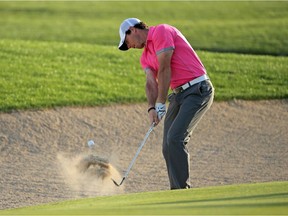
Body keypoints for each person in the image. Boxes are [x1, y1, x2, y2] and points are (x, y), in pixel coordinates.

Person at [118, 18, 214, 189]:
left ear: (132, 30)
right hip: (178, 95)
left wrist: (161, 102)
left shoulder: (161, 31)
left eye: (127, 41)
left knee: (175, 138)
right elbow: (151, 83)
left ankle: (181, 191)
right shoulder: (145, 56)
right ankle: (177, 190)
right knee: (167, 146)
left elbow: (165, 68)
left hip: (198, 90)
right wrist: (152, 107)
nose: (129, 46)